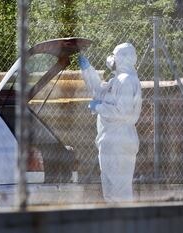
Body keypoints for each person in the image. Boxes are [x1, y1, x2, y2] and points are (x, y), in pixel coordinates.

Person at [77, 43, 142, 202]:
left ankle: (123, 224)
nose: (111, 58)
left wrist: (98, 107)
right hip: (113, 140)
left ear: (123, 58)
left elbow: (122, 112)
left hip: (119, 140)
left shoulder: (126, 81)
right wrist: (87, 69)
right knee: (112, 189)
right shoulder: (118, 80)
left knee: (118, 191)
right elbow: (99, 91)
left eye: (114, 54)